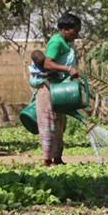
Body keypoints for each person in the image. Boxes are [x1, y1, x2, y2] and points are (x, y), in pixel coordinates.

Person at [35, 13, 81, 167]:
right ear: (66, 29)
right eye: (75, 31)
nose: (76, 35)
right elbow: (48, 64)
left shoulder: (66, 43)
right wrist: (68, 69)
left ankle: (57, 159)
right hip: (49, 90)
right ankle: (47, 161)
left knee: (60, 125)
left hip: (60, 90)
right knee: (49, 125)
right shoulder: (56, 41)